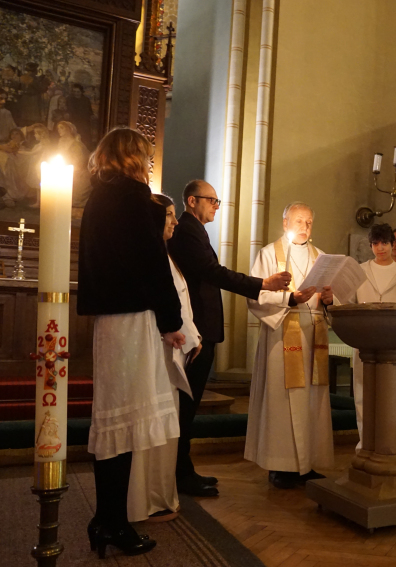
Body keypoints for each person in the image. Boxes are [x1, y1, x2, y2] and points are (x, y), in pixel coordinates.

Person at [78, 127, 184, 557]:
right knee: (124, 423)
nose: (148, 164)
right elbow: (153, 265)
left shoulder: (97, 199)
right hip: (134, 320)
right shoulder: (136, 199)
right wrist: (172, 321)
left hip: (108, 322)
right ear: (134, 157)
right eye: (145, 156)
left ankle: (108, 520)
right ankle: (112, 522)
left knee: (114, 423)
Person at [167, 179, 291, 497]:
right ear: (192, 201)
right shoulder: (187, 231)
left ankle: (183, 470)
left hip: (200, 327)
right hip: (193, 329)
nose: (216, 206)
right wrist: (262, 283)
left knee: (189, 404)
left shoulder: (195, 230)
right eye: (212, 200)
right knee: (186, 405)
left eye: (217, 201)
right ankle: (179, 474)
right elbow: (213, 272)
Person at [245, 201, 336, 489]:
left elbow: (330, 298)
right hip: (281, 337)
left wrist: (330, 300)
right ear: (285, 223)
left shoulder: (322, 258)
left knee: (311, 402)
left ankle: (307, 464)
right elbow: (256, 296)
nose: (304, 226)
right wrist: (290, 299)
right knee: (282, 402)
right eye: (298, 220)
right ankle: (280, 466)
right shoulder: (269, 254)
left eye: (309, 222)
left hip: (314, 338)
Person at [127, 193, 202, 523]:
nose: (174, 221)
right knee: (156, 420)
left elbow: (180, 303)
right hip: (158, 349)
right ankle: (148, 497)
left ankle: (159, 493)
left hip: (172, 347)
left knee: (168, 420)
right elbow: (164, 304)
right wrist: (186, 335)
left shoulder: (165, 254)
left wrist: (194, 336)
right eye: (169, 215)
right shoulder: (150, 255)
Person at [352, 223, 396, 445]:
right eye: (376, 244)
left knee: (392, 393)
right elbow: (348, 303)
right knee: (363, 394)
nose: (381, 248)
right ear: (371, 246)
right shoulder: (360, 271)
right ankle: (365, 443)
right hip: (364, 340)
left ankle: (390, 441)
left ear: (392, 244)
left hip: (394, 342)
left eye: (385, 243)